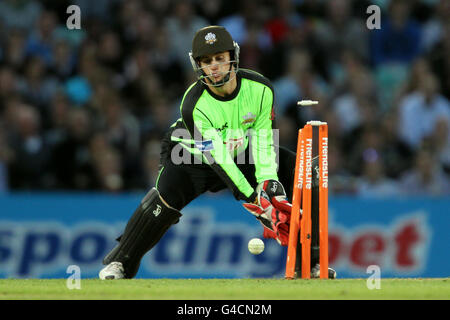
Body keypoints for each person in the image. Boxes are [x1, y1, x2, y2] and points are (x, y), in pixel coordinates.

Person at [99, 26, 335, 280]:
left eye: (220, 58)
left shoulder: (261, 89)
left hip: (242, 151)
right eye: (207, 61)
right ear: (197, 66)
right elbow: (219, 160)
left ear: (233, 57)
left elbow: (264, 143)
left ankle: (309, 263)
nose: (214, 67)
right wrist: (255, 200)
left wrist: (269, 184)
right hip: (191, 155)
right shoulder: (193, 104)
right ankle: (121, 261)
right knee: (166, 197)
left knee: (303, 172)